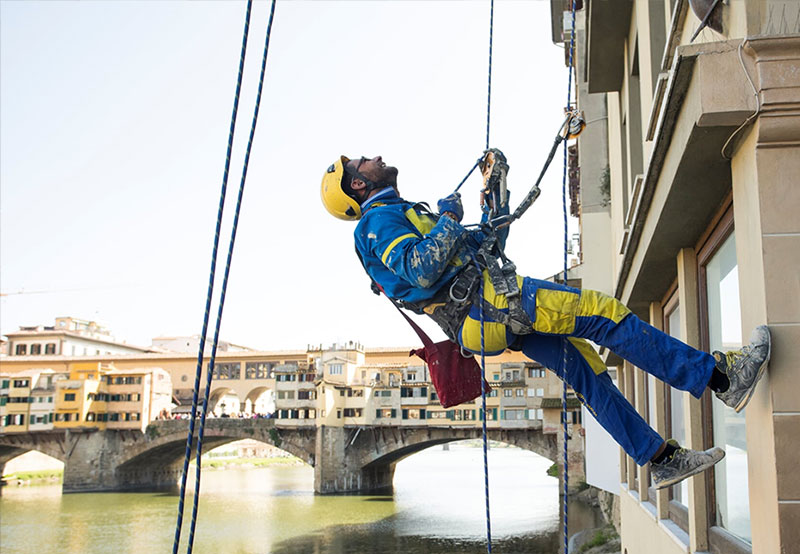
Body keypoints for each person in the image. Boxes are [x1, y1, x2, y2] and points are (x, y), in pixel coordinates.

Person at [320, 153, 771, 490]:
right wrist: (450, 219)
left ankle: (659, 458)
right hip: (492, 302)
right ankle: (721, 379)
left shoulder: (396, 215)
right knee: (604, 314)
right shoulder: (376, 223)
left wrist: (496, 191)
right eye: (362, 162)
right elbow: (421, 267)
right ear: (358, 184)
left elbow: (487, 240)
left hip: (484, 315)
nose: (374, 158)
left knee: (589, 374)